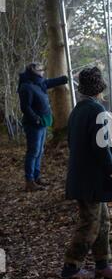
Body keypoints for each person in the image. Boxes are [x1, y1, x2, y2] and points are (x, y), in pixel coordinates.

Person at [61, 66, 112, 279]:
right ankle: (71, 268)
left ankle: (102, 264)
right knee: (89, 222)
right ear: (99, 88)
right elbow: (101, 146)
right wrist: (111, 172)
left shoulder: (78, 109)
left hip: (84, 176)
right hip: (91, 179)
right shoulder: (96, 111)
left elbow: (72, 142)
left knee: (103, 220)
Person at [18, 62, 68, 192]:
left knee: (39, 151)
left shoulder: (40, 83)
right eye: (40, 70)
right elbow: (25, 107)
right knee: (33, 152)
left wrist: (67, 78)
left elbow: (52, 82)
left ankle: (36, 177)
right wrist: (36, 119)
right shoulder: (26, 86)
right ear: (34, 71)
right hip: (33, 124)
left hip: (43, 123)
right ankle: (29, 181)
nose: (43, 72)